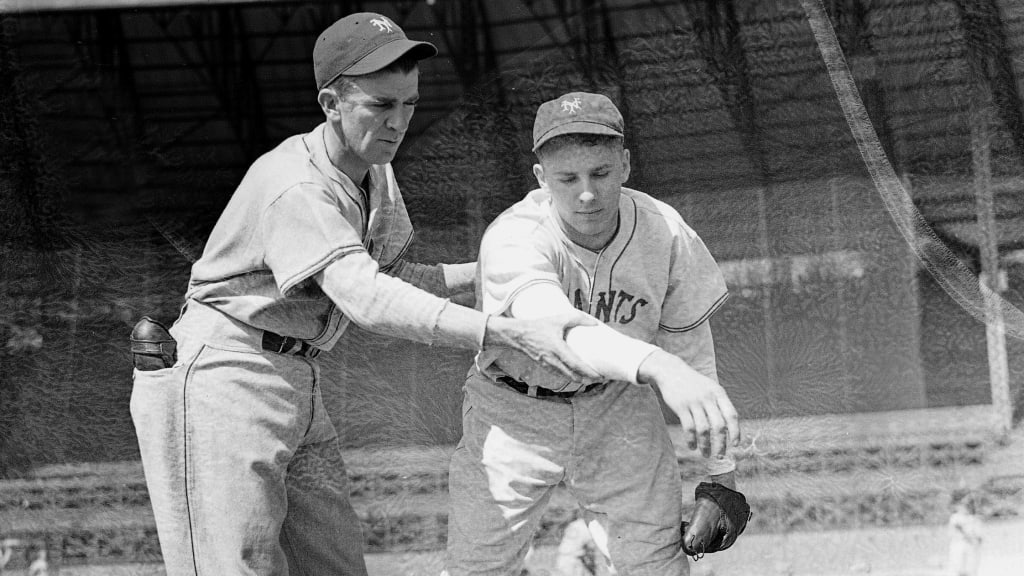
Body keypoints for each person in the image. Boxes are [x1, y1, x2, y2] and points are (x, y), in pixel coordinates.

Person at [129, 13, 599, 576]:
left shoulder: (376, 171)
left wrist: (505, 265)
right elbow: (368, 300)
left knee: (336, 567)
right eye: (380, 105)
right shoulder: (296, 186)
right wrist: (497, 331)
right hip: (222, 376)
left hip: (297, 379)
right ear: (331, 103)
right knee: (240, 567)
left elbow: (397, 280)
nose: (398, 121)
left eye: (409, 104)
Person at [444, 91, 742, 575]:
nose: (587, 193)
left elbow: (693, 353)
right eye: (568, 178)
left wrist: (721, 475)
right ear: (541, 178)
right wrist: (660, 365)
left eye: (600, 173)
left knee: (657, 566)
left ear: (624, 164)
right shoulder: (513, 235)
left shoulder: (665, 230)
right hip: (514, 410)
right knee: (477, 568)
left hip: (617, 405)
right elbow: (560, 332)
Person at [947, 490, 983, 576]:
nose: (967, 506)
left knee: (971, 570)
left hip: (971, 547)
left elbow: (979, 537)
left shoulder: (975, 519)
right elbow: (956, 530)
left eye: (969, 504)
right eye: (964, 504)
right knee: (959, 570)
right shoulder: (955, 518)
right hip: (959, 545)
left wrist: (976, 541)